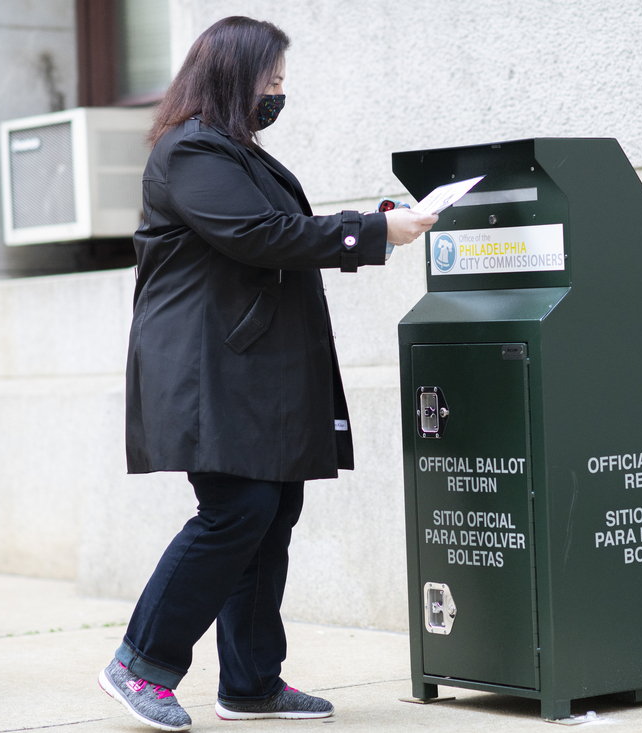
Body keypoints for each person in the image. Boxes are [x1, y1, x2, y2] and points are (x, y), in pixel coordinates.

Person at [97, 16, 437, 732]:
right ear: (231, 77)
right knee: (237, 511)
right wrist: (373, 233)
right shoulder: (191, 151)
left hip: (248, 370)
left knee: (271, 510)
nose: (280, 92)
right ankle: (140, 661)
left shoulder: (231, 153)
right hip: (208, 373)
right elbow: (257, 236)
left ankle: (251, 683)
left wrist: (368, 222)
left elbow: (276, 228)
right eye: (271, 79)